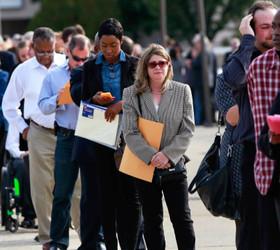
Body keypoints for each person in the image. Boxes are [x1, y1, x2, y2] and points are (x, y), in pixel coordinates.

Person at [71, 18, 141, 250]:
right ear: (98, 44)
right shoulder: (90, 67)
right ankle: (103, 244)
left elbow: (146, 94)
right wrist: (94, 99)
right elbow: (79, 96)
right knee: (102, 195)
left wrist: (121, 104)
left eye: (113, 45)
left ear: (121, 42)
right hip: (100, 136)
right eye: (104, 46)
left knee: (130, 196)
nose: (109, 51)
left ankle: (134, 244)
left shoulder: (134, 64)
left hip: (130, 135)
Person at [122, 43, 195, 250]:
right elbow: (129, 131)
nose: (158, 67)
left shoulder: (182, 91)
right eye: (152, 64)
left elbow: (187, 129)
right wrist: (153, 156)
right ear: (145, 67)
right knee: (152, 221)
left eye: (162, 63)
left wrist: (168, 155)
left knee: (182, 220)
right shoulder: (131, 94)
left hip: (174, 166)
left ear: (169, 65)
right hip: (145, 167)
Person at [2, 27, 65, 250]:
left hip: (67, 132)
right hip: (38, 132)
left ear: (56, 46)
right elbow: (8, 106)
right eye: (41, 52)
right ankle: (48, 237)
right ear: (32, 48)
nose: (46, 56)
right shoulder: (23, 71)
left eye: (50, 51)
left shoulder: (66, 65)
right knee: (41, 186)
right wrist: (23, 128)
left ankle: (78, 230)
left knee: (73, 184)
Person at [220, 1, 277, 249]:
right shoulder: (245, 60)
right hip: (250, 152)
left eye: (274, 25)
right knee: (250, 231)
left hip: (274, 148)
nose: (272, 32)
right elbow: (231, 80)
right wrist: (246, 41)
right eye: (265, 27)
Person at [38, 34, 91, 250]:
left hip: (90, 135)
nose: (81, 63)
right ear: (67, 52)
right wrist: (58, 99)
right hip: (67, 136)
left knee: (91, 191)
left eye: (85, 59)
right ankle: (59, 241)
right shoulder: (54, 76)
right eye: (77, 59)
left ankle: (93, 240)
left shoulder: (94, 71)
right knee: (62, 191)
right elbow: (42, 105)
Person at [246, 8, 280, 249]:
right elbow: (260, 125)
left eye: (279, 27)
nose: (275, 33)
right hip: (268, 170)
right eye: (273, 27)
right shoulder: (258, 68)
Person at [5, 123, 37, 229]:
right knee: (23, 166)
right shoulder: (17, 120)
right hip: (20, 157)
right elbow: (11, 146)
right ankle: (29, 214)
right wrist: (23, 153)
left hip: (42, 154)